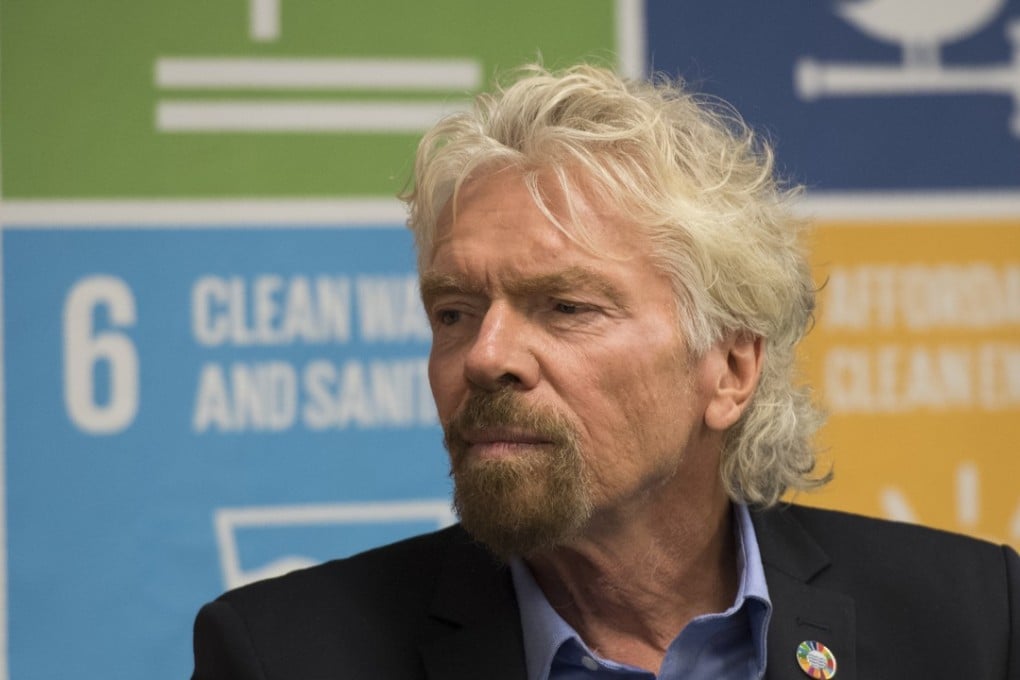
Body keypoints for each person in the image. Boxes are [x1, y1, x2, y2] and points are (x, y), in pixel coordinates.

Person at [191, 64, 1018, 680]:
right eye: (454, 313)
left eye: (566, 307)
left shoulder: (970, 624)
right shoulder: (283, 656)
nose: (485, 357)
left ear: (730, 368)